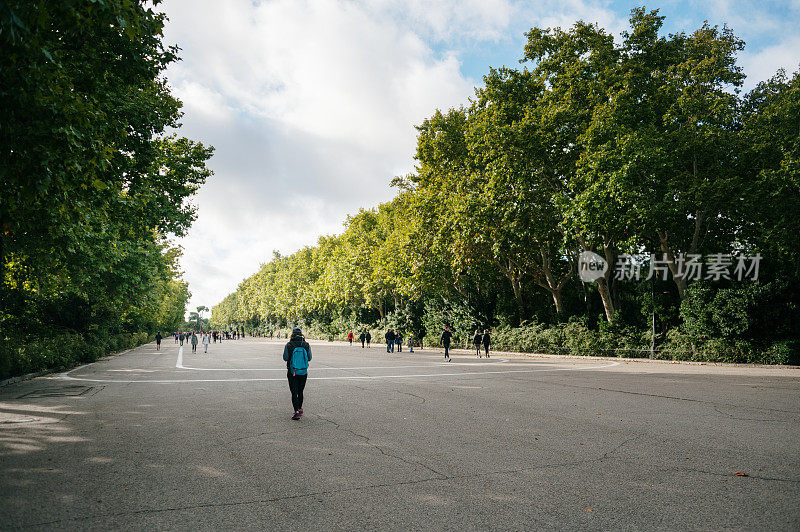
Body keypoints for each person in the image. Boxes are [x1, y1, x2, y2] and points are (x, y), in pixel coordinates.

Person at [283, 327, 312, 420]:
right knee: (300, 391)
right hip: (303, 371)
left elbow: (285, 358)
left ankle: (296, 412)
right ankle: (300, 408)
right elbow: (310, 358)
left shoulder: (289, 345)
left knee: (294, 392)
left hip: (292, 372)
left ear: (292, 334)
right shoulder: (306, 345)